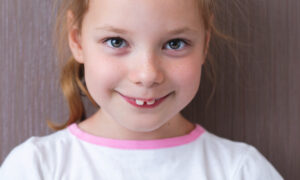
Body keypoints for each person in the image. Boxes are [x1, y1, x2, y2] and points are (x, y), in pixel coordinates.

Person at [0, 0, 284, 179]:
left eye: (175, 44)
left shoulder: (241, 171)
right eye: (116, 42)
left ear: (204, 44)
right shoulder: (35, 168)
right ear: (77, 40)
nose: (147, 75)